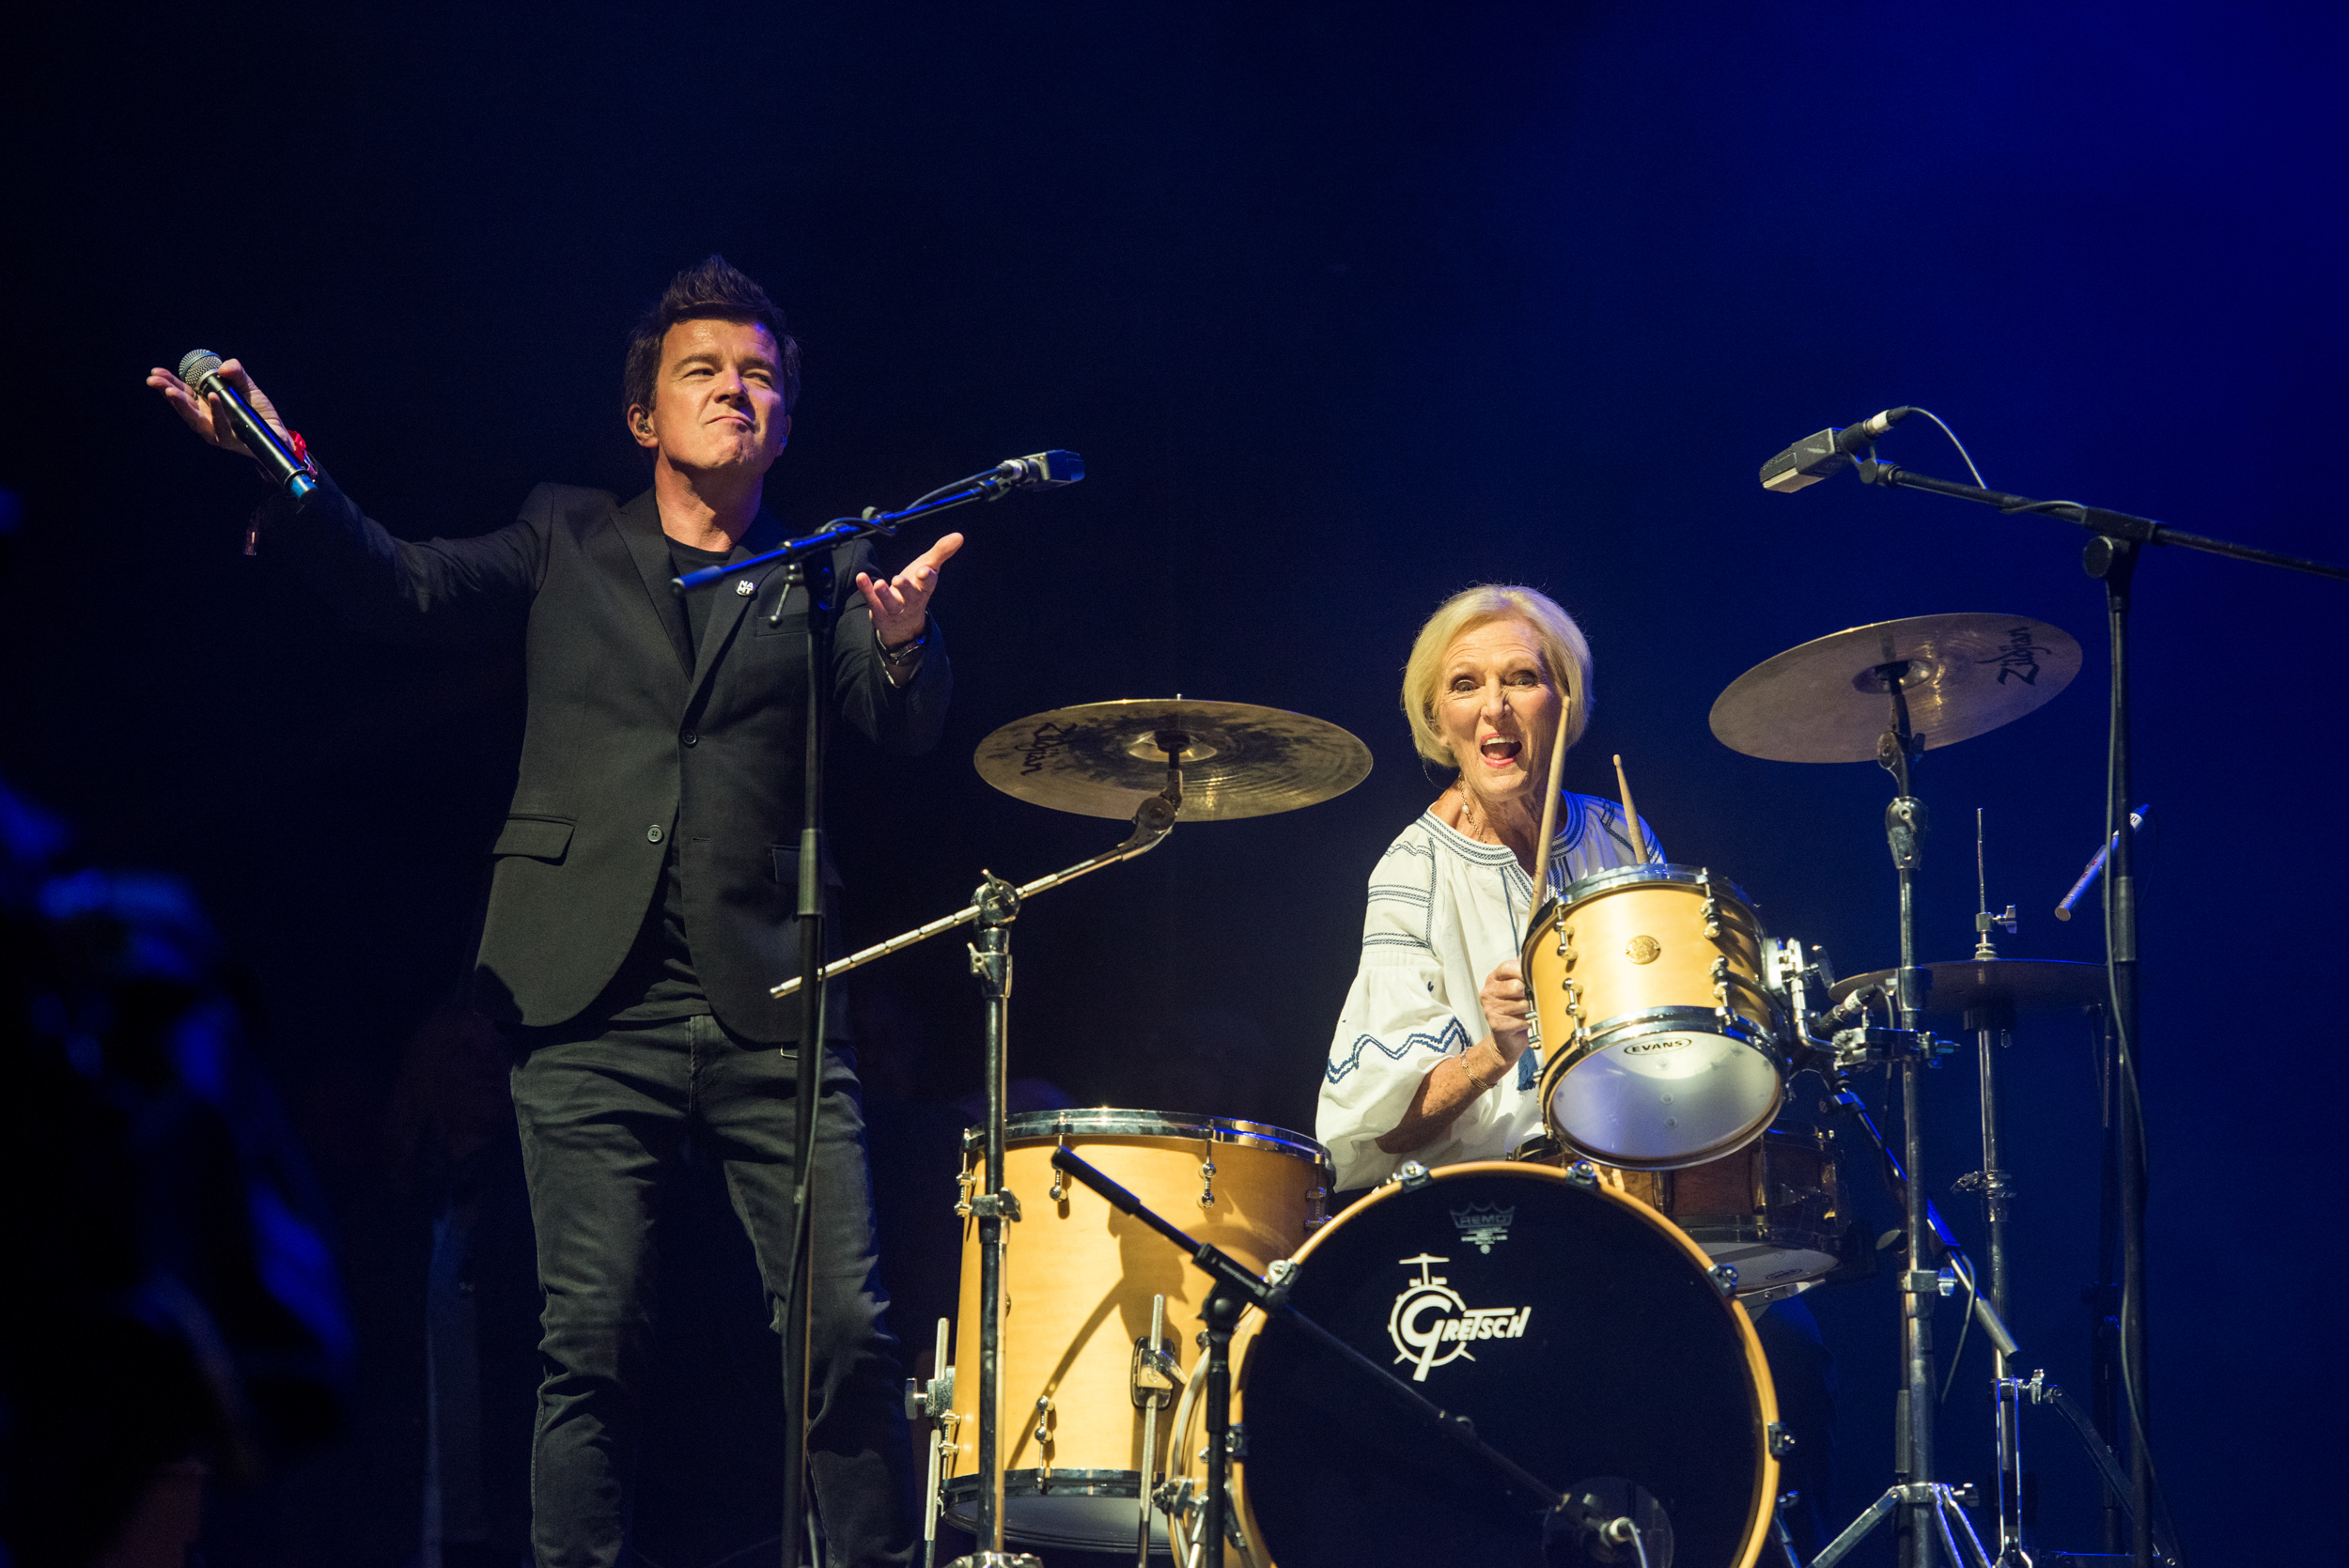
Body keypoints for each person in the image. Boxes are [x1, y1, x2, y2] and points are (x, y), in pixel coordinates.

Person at [145, 256, 954, 1568]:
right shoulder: (565, 535)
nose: (735, 393)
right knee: (589, 1343)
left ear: (786, 421)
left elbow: (899, 722)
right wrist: (278, 470)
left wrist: (907, 638)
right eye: (705, 371)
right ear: (644, 418)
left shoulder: (823, 571)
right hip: (586, 994)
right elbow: (398, 583)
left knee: (847, 1335)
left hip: (774, 1002)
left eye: (759, 377)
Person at [1315, 583, 1655, 1194]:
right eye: (1465, 685)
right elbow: (1378, 1135)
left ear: (1564, 702)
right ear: (1439, 722)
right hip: (1493, 1212)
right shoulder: (1413, 870)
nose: (1494, 706)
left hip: (1638, 1183)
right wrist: (1491, 1054)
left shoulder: (1619, 836)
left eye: (1522, 677)